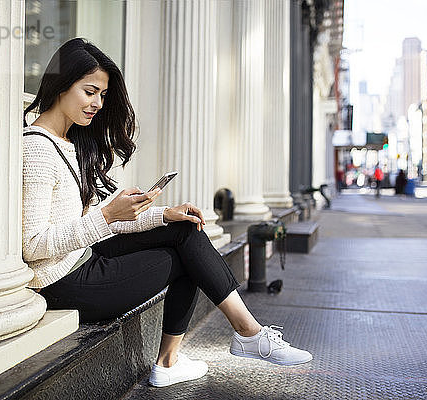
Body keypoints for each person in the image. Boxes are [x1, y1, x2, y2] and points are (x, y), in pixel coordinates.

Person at [22, 38, 312, 388]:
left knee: (185, 229)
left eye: (102, 95)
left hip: (81, 256)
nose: (97, 103)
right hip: (63, 282)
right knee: (186, 260)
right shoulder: (37, 150)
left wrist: (162, 215)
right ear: (60, 86)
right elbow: (33, 246)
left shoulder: (72, 142)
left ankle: (222, 343)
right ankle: (219, 344)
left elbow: (95, 222)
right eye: (89, 92)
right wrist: (108, 216)